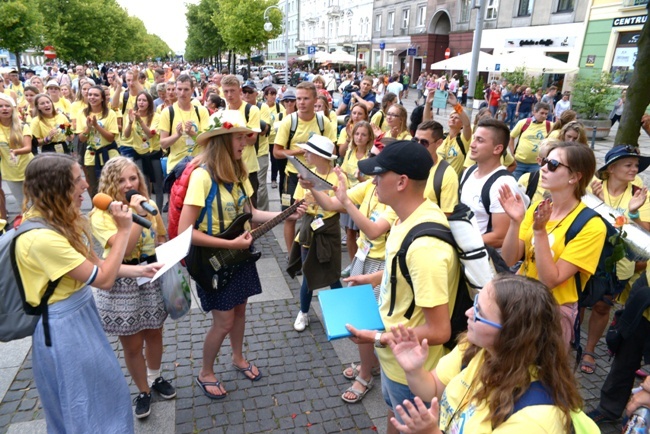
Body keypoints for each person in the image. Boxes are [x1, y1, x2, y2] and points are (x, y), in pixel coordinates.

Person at [15, 153, 161, 432]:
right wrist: (125, 227)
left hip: (81, 315)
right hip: (63, 328)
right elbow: (104, 280)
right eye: (78, 179)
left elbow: (99, 265)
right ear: (56, 186)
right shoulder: (41, 237)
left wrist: (139, 271)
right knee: (85, 401)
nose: (86, 185)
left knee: (105, 391)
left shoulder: (59, 222)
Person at [177, 110, 305, 399]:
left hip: (239, 256)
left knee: (241, 311)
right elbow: (185, 232)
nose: (247, 142)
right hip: (213, 261)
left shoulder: (238, 172)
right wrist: (231, 245)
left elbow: (251, 213)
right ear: (223, 140)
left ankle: (237, 358)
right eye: (240, 137)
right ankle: (205, 372)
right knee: (223, 322)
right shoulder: (201, 177)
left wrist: (287, 214)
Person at [347, 140, 459, 434]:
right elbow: (406, 273)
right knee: (394, 416)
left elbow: (439, 331)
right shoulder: (406, 217)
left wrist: (376, 337)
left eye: (379, 175)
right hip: (394, 359)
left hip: (409, 369)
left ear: (401, 182)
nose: (373, 181)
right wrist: (374, 278)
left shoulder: (425, 247)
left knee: (406, 422)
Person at [388, 274, 583, 433]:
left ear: (511, 334)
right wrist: (414, 370)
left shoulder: (534, 419)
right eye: (475, 303)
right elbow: (431, 390)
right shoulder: (475, 349)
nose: (467, 313)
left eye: (479, 312)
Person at [90, 157, 174, 419]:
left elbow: (160, 236)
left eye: (133, 178)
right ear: (110, 184)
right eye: (122, 180)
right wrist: (136, 216)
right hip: (122, 282)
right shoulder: (101, 215)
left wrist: (165, 250)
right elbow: (123, 249)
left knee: (154, 333)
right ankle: (143, 390)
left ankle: (155, 376)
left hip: (150, 278)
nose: (129, 185)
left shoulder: (149, 206)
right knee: (133, 345)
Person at [499, 141, 606, 346]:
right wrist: (515, 221)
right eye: (545, 161)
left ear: (575, 177)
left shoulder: (591, 226)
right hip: (519, 300)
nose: (544, 168)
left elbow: (551, 280)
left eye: (554, 164)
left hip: (551, 312)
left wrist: (539, 233)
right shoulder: (539, 207)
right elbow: (508, 258)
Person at [581, 145, 650, 374]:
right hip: (588, 254)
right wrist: (598, 200)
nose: (635, 169)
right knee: (579, 302)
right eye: (628, 164)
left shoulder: (639, 194)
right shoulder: (593, 186)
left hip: (619, 263)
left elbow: (645, 237)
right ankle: (570, 342)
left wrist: (633, 214)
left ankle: (590, 350)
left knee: (602, 306)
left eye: (636, 165)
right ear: (611, 168)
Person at [288, 135, 344, 332]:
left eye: (309, 152)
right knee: (308, 272)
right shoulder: (306, 175)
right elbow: (297, 203)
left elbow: (343, 205)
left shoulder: (337, 177)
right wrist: (300, 207)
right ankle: (303, 312)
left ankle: (341, 313)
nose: (305, 154)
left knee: (333, 273)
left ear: (321, 156)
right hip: (309, 229)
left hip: (329, 229)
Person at [273, 82, 336, 252]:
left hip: (318, 176)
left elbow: (333, 149)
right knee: (290, 216)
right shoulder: (289, 121)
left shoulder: (324, 122)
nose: (301, 102)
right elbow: (276, 152)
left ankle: (314, 249)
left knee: (319, 213)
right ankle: (291, 254)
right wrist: (299, 151)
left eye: (306, 99)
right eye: (298, 98)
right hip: (292, 176)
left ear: (315, 100)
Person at [460, 118, 524, 249]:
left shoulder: (503, 184)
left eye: (480, 140)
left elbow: (500, 237)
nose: (472, 144)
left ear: (497, 149)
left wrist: (459, 243)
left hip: (485, 261)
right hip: (464, 255)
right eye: (474, 138)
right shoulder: (470, 171)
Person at [159, 74, 210, 175]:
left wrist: (191, 133)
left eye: (186, 89)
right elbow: (163, 144)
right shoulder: (167, 112)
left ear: (192, 90)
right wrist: (177, 135)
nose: (182, 93)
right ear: (176, 90)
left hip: (198, 166)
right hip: (175, 167)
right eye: (179, 89)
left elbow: (207, 142)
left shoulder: (201, 111)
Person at [222, 77, 261, 207]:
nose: (229, 95)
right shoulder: (223, 112)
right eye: (226, 91)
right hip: (228, 165)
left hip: (248, 166)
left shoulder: (251, 110)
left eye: (232, 91)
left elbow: (252, 139)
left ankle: (255, 228)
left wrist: (232, 132)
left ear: (239, 91)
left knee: (251, 206)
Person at [123, 91, 164, 212]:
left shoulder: (156, 116)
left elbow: (150, 135)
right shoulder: (131, 115)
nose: (141, 103)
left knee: (158, 186)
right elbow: (126, 135)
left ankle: (159, 213)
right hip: (139, 153)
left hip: (154, 154)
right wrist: (130, 122)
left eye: (144, 100)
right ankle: (147, 211)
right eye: (139, 100)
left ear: (149, 103)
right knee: (143, 186)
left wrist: (140, 120)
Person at [76, 85, 119, 197]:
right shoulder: (82, 113)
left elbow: (111, 138)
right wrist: (89, 128)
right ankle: (96, 210)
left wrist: (97, 126)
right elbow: (81, 138)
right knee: (94, 187)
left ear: (102, 98)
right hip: (91, 155)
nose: (92, 97)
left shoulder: (110, 114)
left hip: (109, 155)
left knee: (112, 186)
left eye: (96, 95)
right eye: (90, 95)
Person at [416, 120, 459, 215]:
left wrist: (457, 106)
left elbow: (446, 215)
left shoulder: (447, 174)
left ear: (439, 143)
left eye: (424, 142)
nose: (418, 145)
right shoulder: (405, 163)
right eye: (415, 140)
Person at [0, 93, 33, 211]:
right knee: (22, 203)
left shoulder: (22, 126)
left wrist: (15, 152)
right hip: (10, 172)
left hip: (29, 169)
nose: (4, 109)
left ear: (12, 109)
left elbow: (28, 148)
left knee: (36, 201)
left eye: (7, 106)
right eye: (1, 106)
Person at [241, 80, 271, 211]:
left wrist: (250, 120)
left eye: (250, 92)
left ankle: (263, 214)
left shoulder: (261, 107)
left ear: (256, 94)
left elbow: (265, 129)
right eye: (244, 92)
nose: (247, 95)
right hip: (244, 153)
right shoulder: (237, 108)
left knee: (261, 185)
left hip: (260, 152)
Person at [509, 102, 551, 180]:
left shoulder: (549, 125)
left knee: (531, 187)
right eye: (541, 113)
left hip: (536, 164)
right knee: (515, 185)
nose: (544, 116)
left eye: (546, 114)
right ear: (534, 112)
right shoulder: (524, 123)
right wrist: (512, 154)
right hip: (519, 162)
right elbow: (511, 137)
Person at [436, 92, 472, 176]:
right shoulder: (442, 136)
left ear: (461, 124)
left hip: (451, 183)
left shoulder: (463, 139)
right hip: (435, 180)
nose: (453, 119)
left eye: (456, 118)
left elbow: (467, 124)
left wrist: (456, 106)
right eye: (451, 117)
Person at [265, 86, 286, 191]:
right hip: (264, 139)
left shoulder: (279, 107)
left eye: (274, 94)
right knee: (264, 160)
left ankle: (273, 179)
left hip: (275, 138)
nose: (273, 97)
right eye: (271, 94)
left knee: (275, 160)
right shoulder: (263, 108)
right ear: (266, 96)